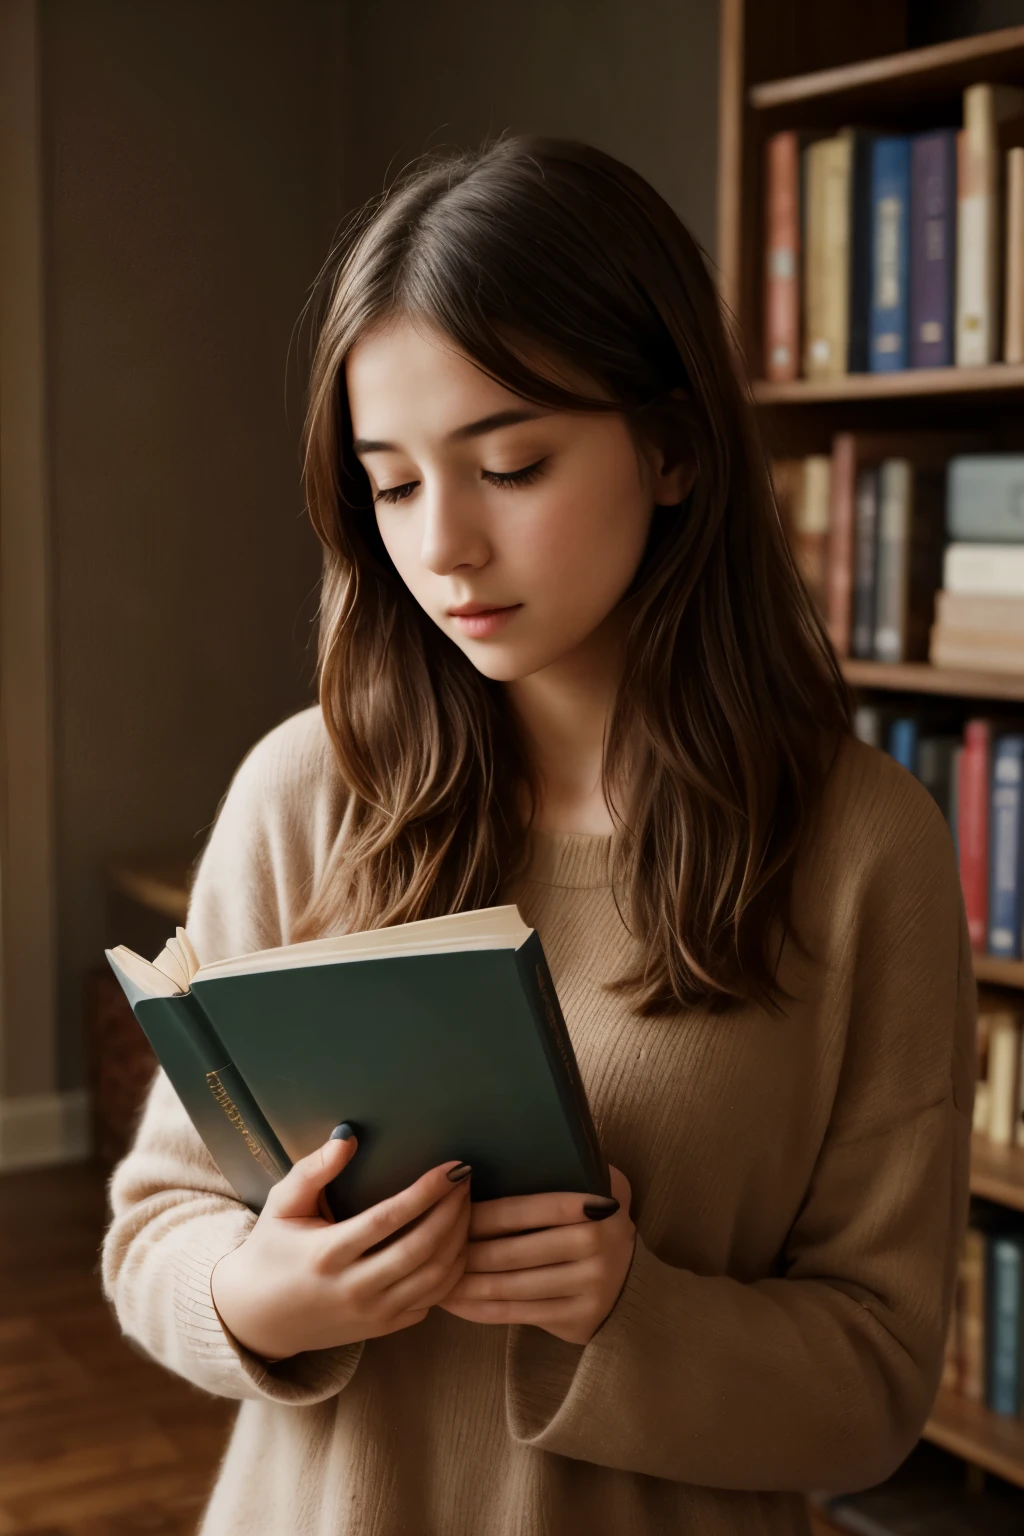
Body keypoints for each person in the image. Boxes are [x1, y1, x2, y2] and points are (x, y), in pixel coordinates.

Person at [101, 136, 975, 1536]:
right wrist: (255, 1292)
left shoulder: (865, 850)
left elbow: (874, 1388)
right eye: (392, 484)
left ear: (675, 445)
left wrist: (631, 1312)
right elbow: (158, 1223)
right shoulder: (303, 792)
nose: (443, 543)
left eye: (508, 465)